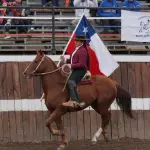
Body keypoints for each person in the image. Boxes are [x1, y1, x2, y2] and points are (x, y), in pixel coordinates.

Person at [60, 35, 90, 108]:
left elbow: (82, 64)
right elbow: (72, 60)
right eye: (75, 40)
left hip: (81, 70)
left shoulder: (83, 51)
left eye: (77, 41)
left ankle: (75, 101)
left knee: (70, 81)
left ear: (81, 42)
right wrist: (65, 60)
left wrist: (71, 66)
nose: (75, 42)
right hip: (75, 69)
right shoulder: (76, 50)